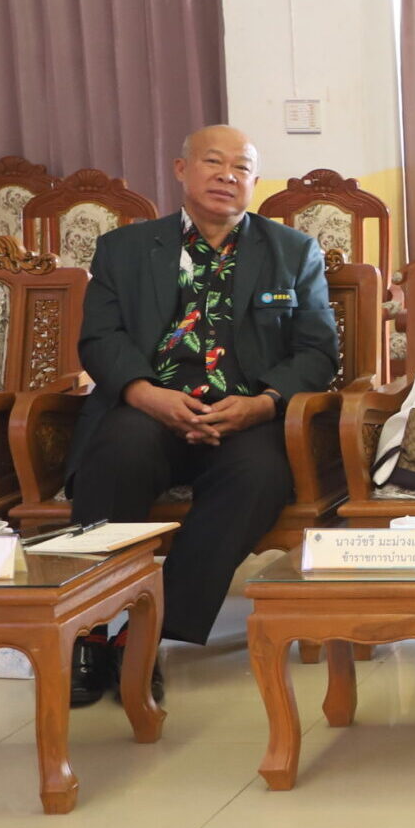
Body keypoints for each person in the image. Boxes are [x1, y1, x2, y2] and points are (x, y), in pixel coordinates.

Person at [66, 125, 340, 703]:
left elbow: (318, 352)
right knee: (117, 453)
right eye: (213, 162)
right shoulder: (125, 249)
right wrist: (145, 393)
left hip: (246, 415)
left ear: (255, 181)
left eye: (241, 167)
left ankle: (146, 635)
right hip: (150, 407)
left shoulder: (293, 252)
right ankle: (90, 628)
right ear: (181, 169)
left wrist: (263, 403)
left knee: (260, 476)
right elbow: (100, 338)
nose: (227, 176)